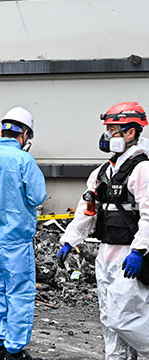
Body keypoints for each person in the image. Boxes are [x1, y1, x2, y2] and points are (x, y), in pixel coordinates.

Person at [57, 101, 149, 359]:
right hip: (106, 253)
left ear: (131, 132)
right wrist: (70, 240)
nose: (108, 135)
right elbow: (87, 210)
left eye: (113, 129)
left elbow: (148, 214)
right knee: (109, 319)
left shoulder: (142, 169)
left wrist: (140, 250)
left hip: (129, 255)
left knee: (125, 317)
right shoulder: (102, 172)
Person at [0, 107, 47, 360]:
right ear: (24, 134)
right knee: (19, 292)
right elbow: (37, 196)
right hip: (16, 239)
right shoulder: (24, 161)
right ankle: (15, 349)